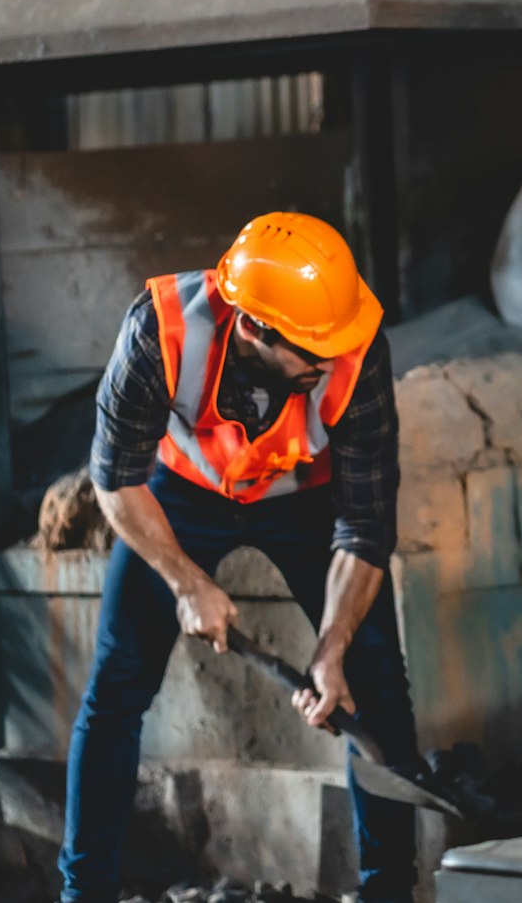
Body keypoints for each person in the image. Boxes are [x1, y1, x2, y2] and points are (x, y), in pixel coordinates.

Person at [59, 212, 417, 903]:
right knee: (118, 681)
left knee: (376, 681)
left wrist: (332, 645)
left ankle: (389, 892)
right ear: (253, 327)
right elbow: (115, 479)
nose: (330, 360)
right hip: (180, 494)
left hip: (307, 497)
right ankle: (84, 894)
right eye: (314, 350)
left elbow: (367, 522)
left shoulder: (356, 346)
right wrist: (185, 581)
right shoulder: (157, 330)